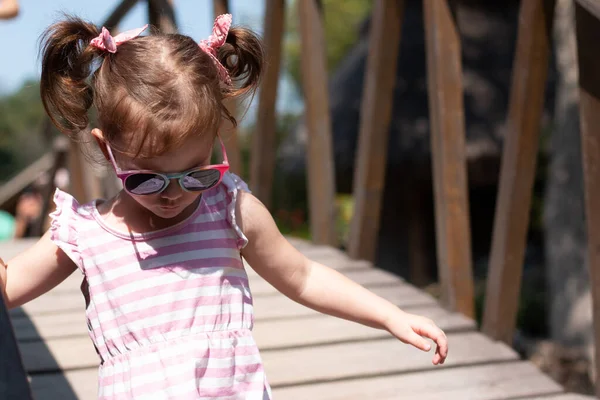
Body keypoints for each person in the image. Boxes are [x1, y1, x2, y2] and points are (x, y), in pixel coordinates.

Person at [0, 14, 448, 399]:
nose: (173, 193)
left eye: (197, 172)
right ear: (107, 149)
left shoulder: (229, 207)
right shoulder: (86, 233)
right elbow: (9, 286)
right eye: (147, 178)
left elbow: (304, 277)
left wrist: (391, 316)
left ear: (215, 142)